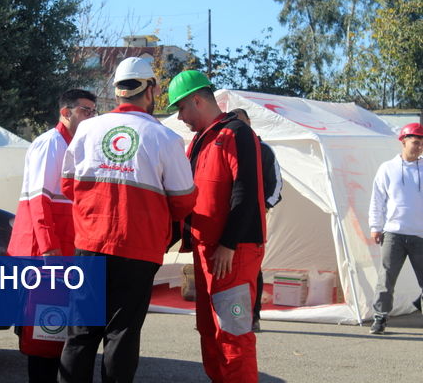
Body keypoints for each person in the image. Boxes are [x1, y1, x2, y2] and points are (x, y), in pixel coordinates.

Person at [58, 57, 196, 383]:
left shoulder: (88, 128)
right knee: (121, 335)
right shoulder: (165, 137)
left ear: (118, 91)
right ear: (151, 90)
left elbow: (67, 184)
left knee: (80, 333)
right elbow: (184, 200)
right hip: (138, 250)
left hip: (90, 245)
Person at [167, 70, 266, 383]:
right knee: (209, 330)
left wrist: (228, 244)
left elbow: (246, 190)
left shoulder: (236, 132)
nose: (180, 116)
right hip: (207, 251)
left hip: (231, 255)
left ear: (197, 100)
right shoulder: (201, 139)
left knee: (233, 333)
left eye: (181, 108)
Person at [7, 89, 97, 383]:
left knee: (59, 335)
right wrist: (49, 251)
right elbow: (39, 201)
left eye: (94, 111)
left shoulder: (75, 146)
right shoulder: (50, 143)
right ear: (65, 112)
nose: (90, 116)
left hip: (64, 253)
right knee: (44, 336)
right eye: (85, 110)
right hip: (46, 254)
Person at [368, 122, 423, 335]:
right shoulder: (387, 168)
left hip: (420, 233)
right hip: (393, 232)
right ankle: (380, 318)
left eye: (421, 144)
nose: (419, 147)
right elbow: (377, 199)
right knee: (386, 279)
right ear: (403, 141)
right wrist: (376, 226)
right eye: (415, 142)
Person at [231, 108, 283, 332]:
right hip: (230, 219)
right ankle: (231, 315)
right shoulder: (227, 146)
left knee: (252, 270)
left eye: (243, 123)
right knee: (230, 268)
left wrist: (263, 207)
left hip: (254, 222)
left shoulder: (264, 150)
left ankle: (253, 316)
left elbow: (277, 186)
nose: (239, 129)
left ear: (250, 123)